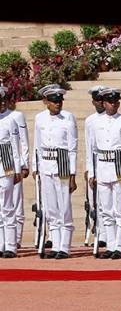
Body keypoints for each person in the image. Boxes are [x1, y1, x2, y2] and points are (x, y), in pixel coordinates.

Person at [87, 88, 121, 259]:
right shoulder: (95, 123)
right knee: (106, 210)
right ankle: (110, 245)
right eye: (109, 102)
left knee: (120, 209)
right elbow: (91, 149)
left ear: (118, 103)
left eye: (115, 102)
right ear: (103, 103)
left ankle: (119, 247)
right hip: (102, 167)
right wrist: (92, 172)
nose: (112, 105)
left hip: (119, 167)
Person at [32, 85, 78, 259]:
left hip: (63, 163)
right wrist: (36, 167)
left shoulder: (68, 118)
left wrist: (72, 174)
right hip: (46, 164)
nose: (57, 104)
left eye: (60, 100)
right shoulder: (39, 119)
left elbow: (72, 148)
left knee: (64, 206)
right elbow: (37, 144)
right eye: (54, 101)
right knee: (51, 207)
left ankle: (64, 247)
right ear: (46, 102)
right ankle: (55, 244)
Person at [2, 87, 29, 248]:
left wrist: (23, 164)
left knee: (14, 201)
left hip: (10, 162)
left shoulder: (15, 116)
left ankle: (15, 239)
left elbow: (22, 142)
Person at [83, 85, 107, 250]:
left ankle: (106, 235)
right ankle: (98, 232)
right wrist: (89, 169)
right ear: (93, 101)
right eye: (97, 100)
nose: (100, 103)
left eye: (102, 99)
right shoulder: (90, 120)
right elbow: (88, 146)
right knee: (95, 201)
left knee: (107, 202)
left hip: (109, 162)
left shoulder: (112, 117)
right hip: (95, 161)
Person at [0, 85, 23, 257]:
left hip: (6, 165)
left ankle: (10, 245)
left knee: (7, 207)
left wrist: (17, 170)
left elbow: (16, 147)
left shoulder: (10, 120)